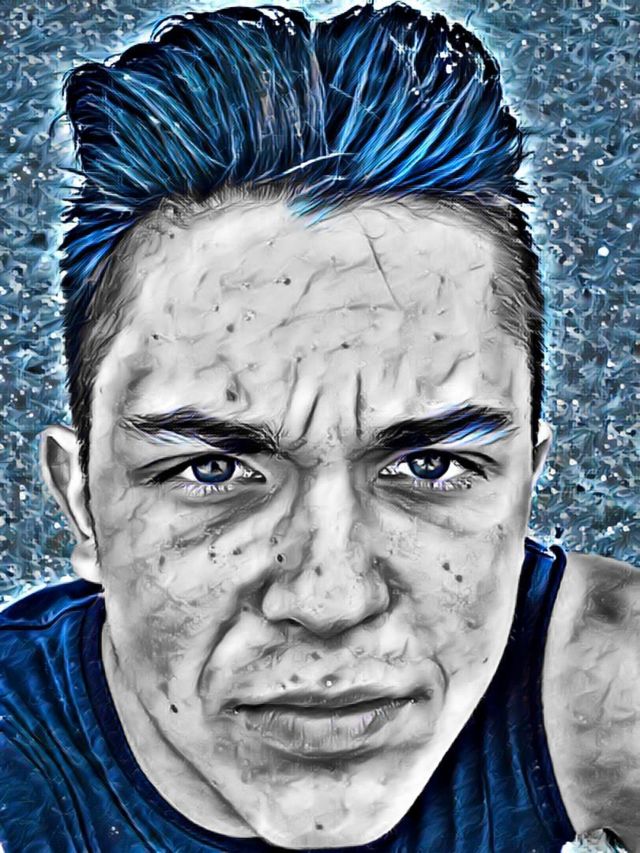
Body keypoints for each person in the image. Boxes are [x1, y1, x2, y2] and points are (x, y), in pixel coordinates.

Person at [0, 4, 637, 851]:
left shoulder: (608, 699)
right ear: (82, 504)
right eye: (212, 470)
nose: (329, 600)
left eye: (432, 465)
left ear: (526, 481)